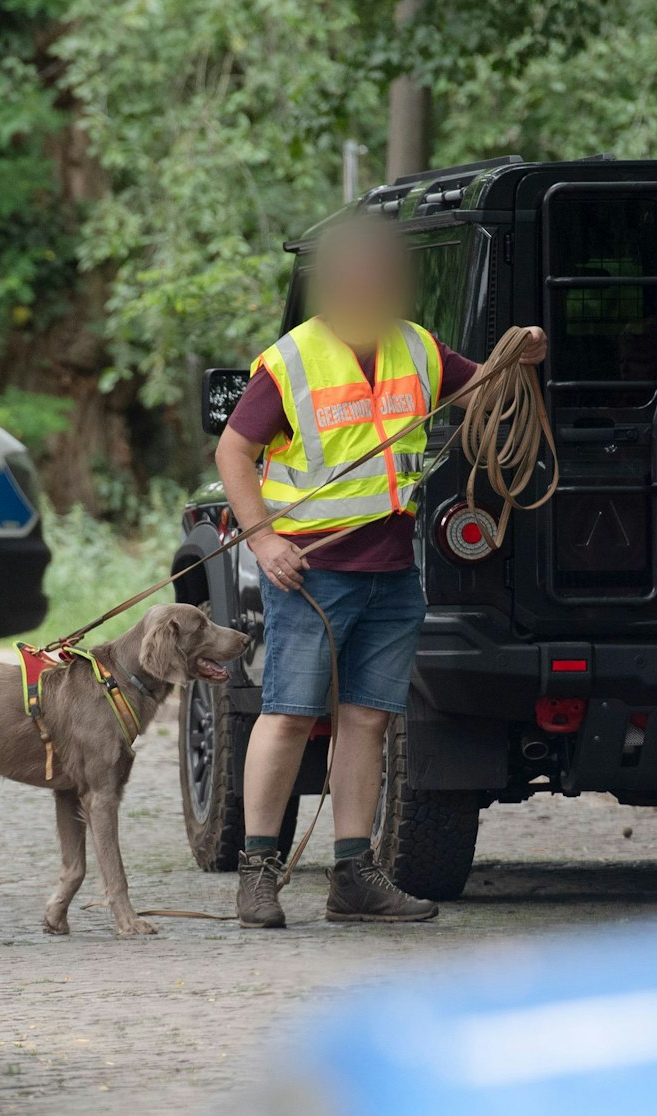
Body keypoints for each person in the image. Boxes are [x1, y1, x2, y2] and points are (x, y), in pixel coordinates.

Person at [214, 216, 547, 927]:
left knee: (366, 721)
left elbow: (482, 393)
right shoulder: (293, 360)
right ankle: (258, 873)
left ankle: (352, 876)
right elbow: (233, 453)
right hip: (311, 571)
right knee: (290, 716)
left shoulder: (417, 348)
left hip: (392, 571)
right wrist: (265, 540)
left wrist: (519, 355)